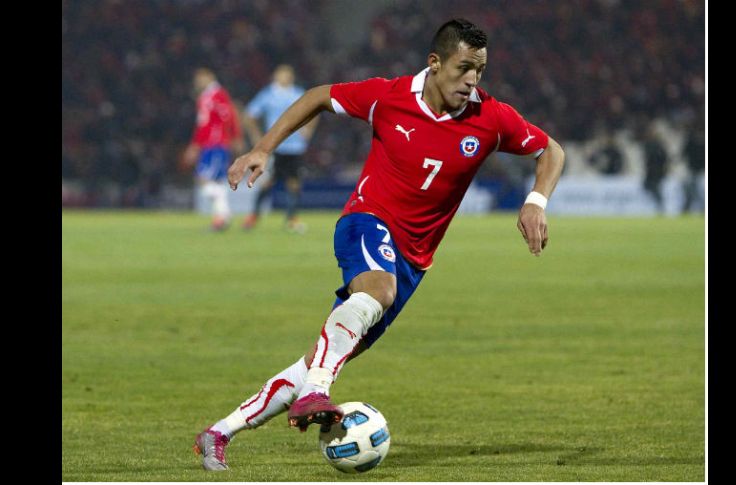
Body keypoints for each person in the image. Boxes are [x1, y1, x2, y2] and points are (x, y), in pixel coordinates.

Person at [193, 19, 565, 471]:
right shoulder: (388, 97)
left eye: (480, 71)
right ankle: (316, 393)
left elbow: (552, 151)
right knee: (374, 295)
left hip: (412, 261)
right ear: (435, 63)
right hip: (366, 222)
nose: (472, 81)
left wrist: (535, 201)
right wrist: (263, 149)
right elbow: (317, 97)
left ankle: (220, 432)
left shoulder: (490, 118)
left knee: (322, 356)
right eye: (464, 67)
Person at [241, 65, 318, 233]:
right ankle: (253, 216)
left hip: (295, 147)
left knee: (294, 184)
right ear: (275, 76)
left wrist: (308, 131)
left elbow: (315, 110)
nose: (284, 77)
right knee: (267, 182)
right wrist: (257, 137)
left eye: (287, 74)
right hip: (275, 147)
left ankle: (291, 219)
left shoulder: (298, 93)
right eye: (281, 74)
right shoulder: (268, 95)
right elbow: (249, 115)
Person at [181, 68, 244, 231]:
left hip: (215, 144)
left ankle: (223, 215)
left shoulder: (216, 95)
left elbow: (228, 116)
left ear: (209, 77)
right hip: (212, 144)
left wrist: (235, 136)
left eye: (200, 78)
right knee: (215, 181)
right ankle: (222, 217)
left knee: (204, 179)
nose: (198, 82)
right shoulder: (208, 96)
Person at [641, 122, 669, 214]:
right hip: (650, 171)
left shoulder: (658, 145)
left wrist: (664, 169)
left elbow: (664, 158)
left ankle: (660, 206)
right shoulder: (648, 144)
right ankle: (659, 204)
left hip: (657, 171)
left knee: (655, 188)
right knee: (648, 187)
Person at [681, 122, 705, 213]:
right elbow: (684, 153)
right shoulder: (691, 140)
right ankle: (688, 207)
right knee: (691, 190)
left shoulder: (693, 141)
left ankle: (688, 207)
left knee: (696, 190)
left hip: (700, 171)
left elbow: (683, 153)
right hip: (694, 170)